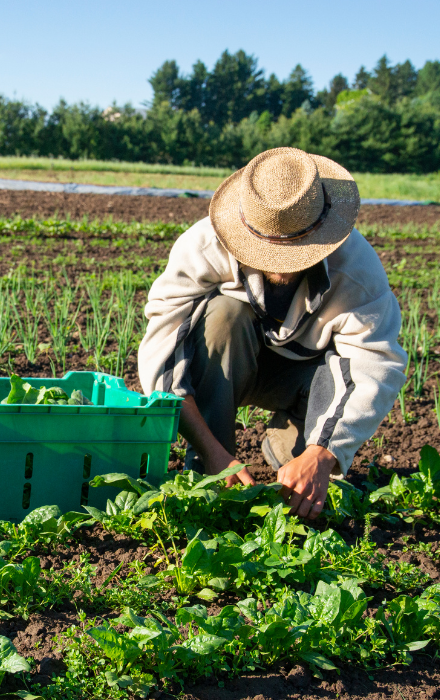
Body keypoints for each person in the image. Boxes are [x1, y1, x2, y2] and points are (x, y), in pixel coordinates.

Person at [138, 147, 406, 520]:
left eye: (295, 250)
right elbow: (163, 356)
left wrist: (322, 454)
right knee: (223, 316)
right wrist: (214, 453)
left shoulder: (356, 271)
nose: (280, 264)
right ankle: (209, 470)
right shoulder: (203, 246)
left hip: (304, 379)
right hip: (229, 363)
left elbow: (374, 365)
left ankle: (288, 446)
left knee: (307, 477)